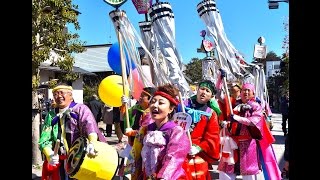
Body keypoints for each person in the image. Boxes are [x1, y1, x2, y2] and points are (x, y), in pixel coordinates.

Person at [38, 83, 106, 180]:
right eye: (56, 94)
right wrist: (49, 154)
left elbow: (90, 127)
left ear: (70, 95)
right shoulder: (51, 114)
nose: (59, 96)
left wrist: (92, 143)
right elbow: (45, 138)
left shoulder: (81, 109)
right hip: (59, 161)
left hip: (80, 159)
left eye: (62, 93)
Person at [218, 82, 281, 180]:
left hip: (248, 145)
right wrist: (220, 79)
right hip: (232, 143)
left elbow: (253, 122)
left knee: (248, 173)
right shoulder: (234, 103)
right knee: (226, 172)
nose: (246, 92)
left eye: (249, 90)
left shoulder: (256, 106)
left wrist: (237, 118)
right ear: (240, 92)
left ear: (253, 94)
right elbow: (219, 95)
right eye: (244, 90)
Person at [127, 83, 191, 179]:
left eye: (161, 103)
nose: (154, 105)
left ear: (171, 109)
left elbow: (173, 158)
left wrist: (161, 177)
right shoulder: (145, 129)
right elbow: (136, 152)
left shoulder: (176, 131)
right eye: (153, 102)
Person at [179, 80, 221, 180]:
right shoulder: (182, 106)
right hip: (179, 151)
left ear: (211, 96)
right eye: (202, 89)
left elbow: (213, 137)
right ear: (197, 90)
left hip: (197, 154)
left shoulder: (211, 113)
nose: (204, 92)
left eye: (207, 91)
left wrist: (198, 148)